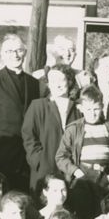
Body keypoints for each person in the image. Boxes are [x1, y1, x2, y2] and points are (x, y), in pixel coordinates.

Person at [55, 85, 109, 219]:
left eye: (96, 109)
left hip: (105, 178)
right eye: (88, 109)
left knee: (104, 217)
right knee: (83, 217)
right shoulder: (74, 129)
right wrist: (76, 172)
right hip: (83, 178)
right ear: (81, 108)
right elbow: (61, 156)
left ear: (102, 106)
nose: (92, 113)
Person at [0, 33, 40, 192]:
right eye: (10, 51)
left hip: (26, 158)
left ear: (25, 52)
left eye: (19, 50)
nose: (15, 55)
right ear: (2, 55)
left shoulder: (33, 84)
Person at [22, 64, 81, 197]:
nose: (57, 84)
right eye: (53, 80)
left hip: (71, 169)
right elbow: (28, 136)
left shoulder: (79, 108)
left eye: (62, 80)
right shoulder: (38, 106)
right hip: (45, 167)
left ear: (70, 81)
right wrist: (38, 160)